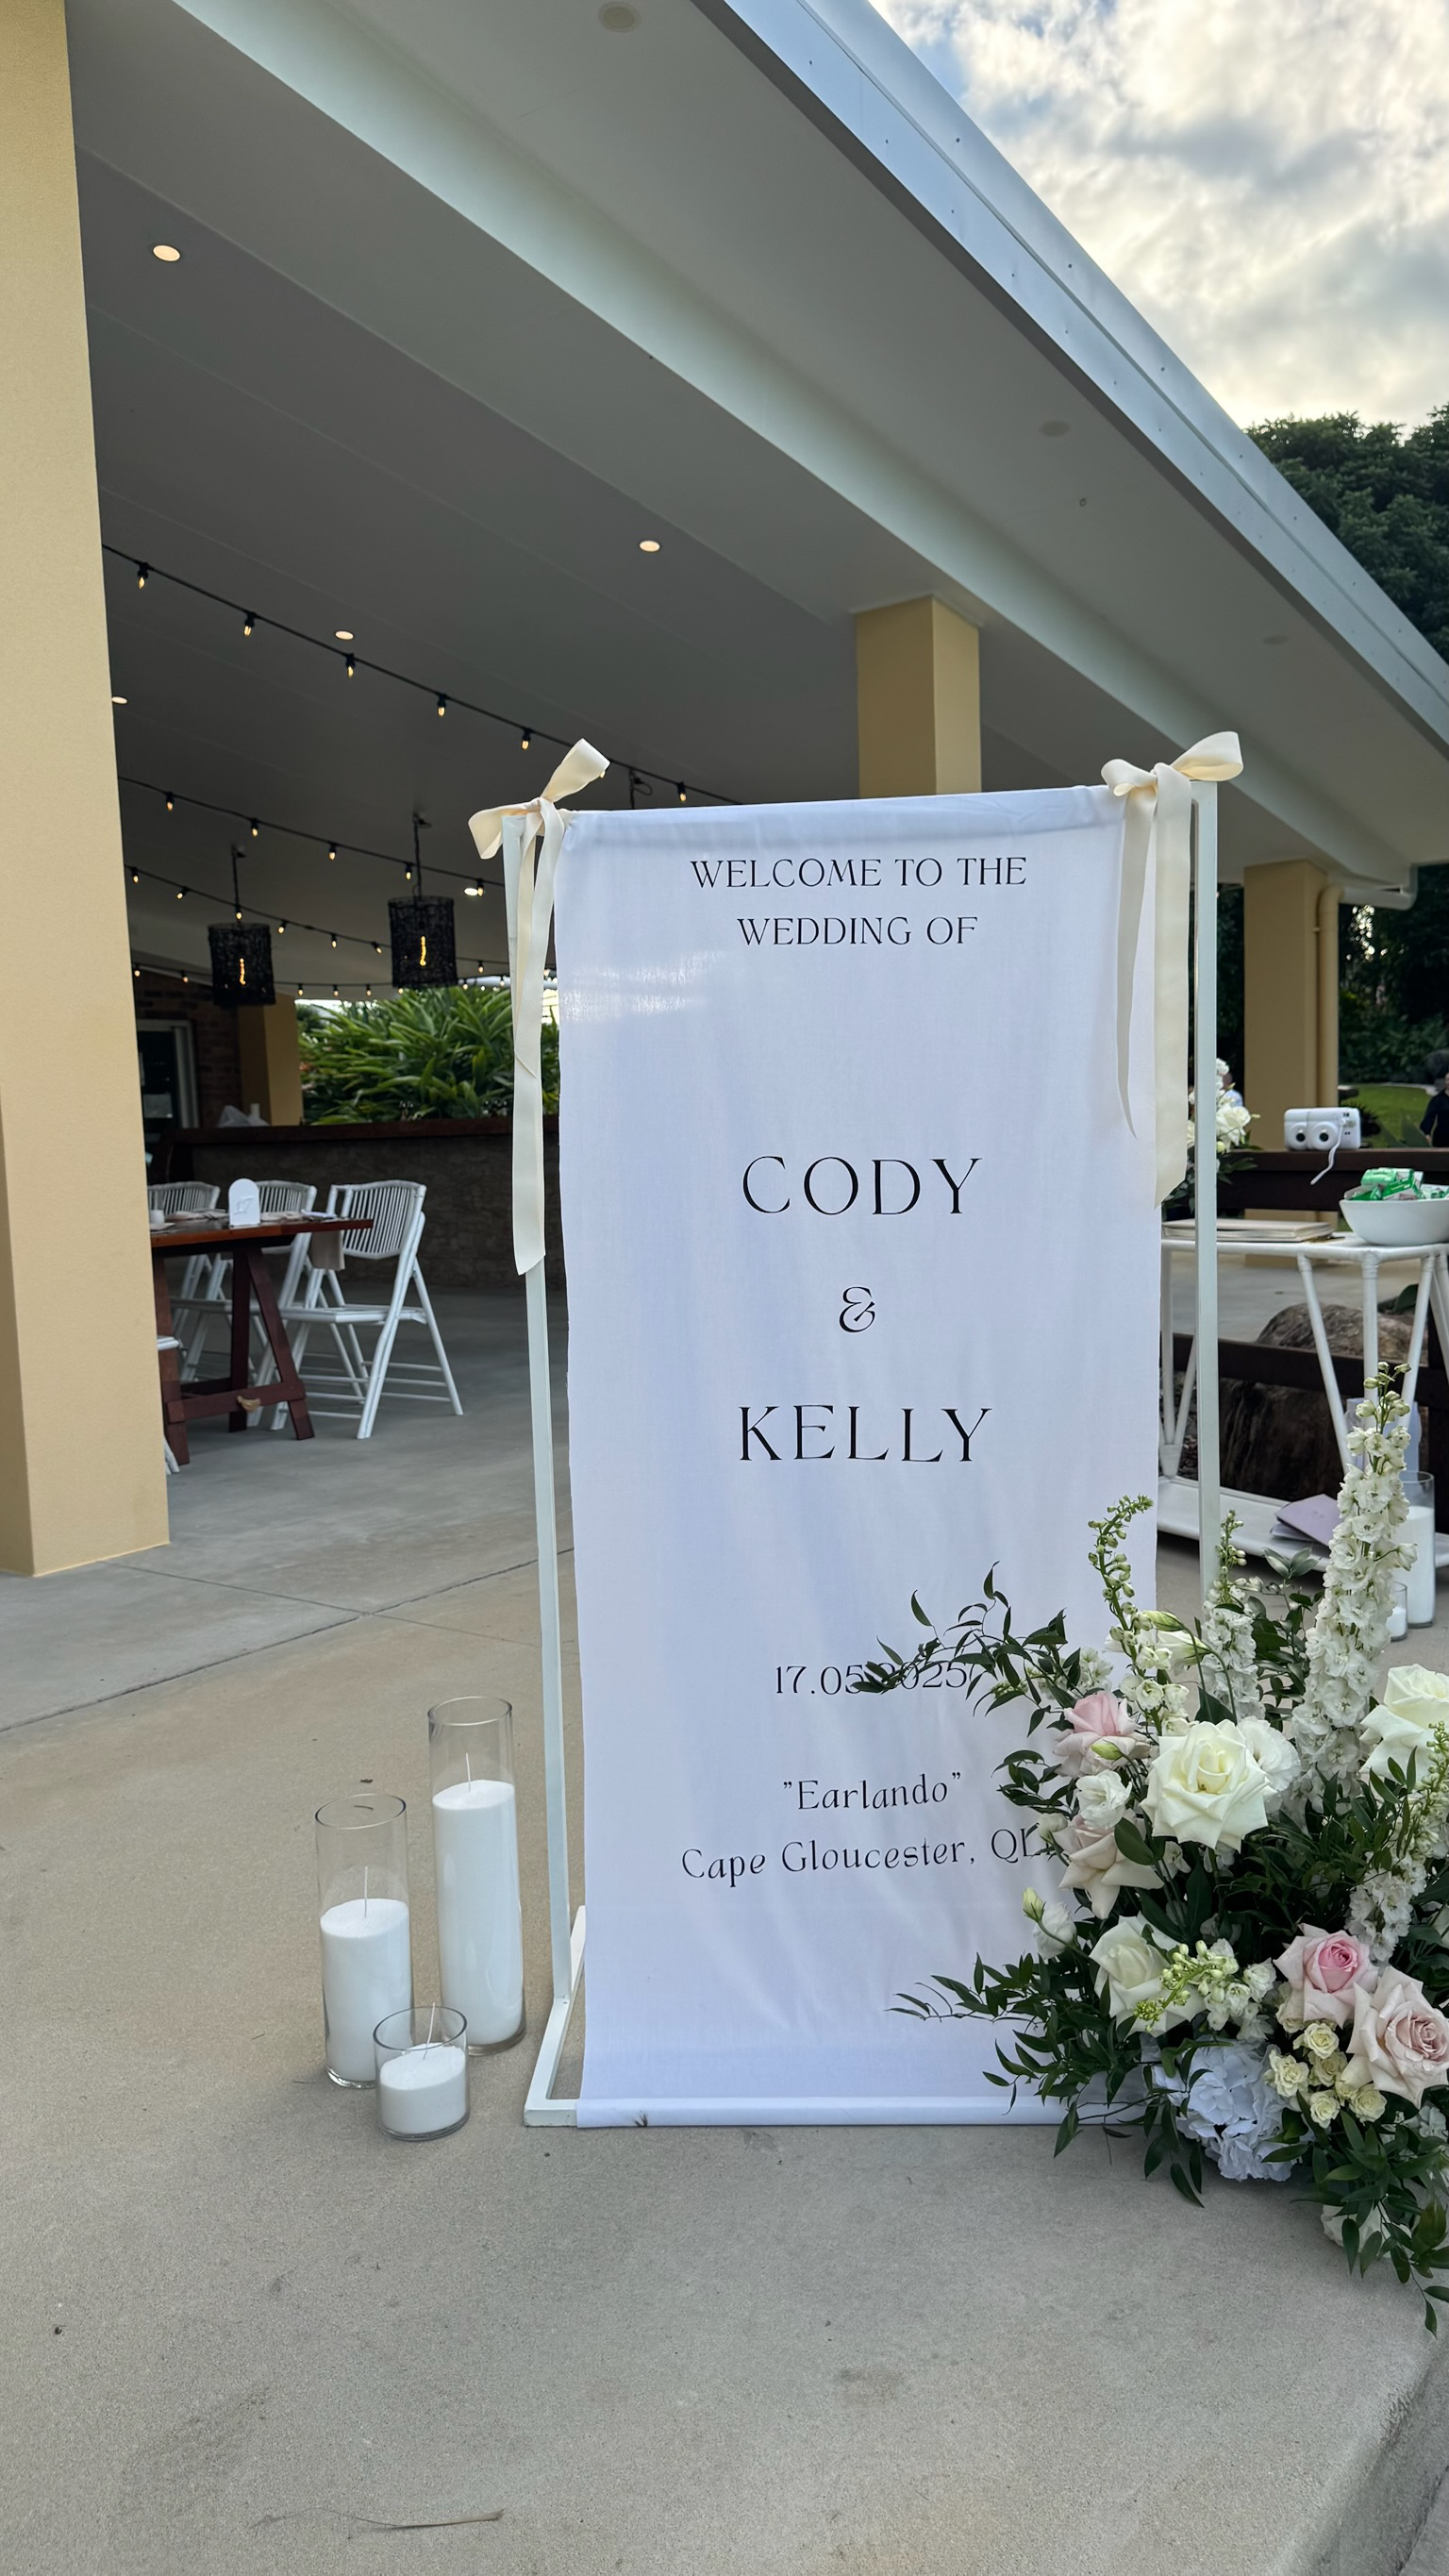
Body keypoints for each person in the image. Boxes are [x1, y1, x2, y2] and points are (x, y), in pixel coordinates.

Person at [1421, 1051, 1449, 1146]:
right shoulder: (1438, 1100)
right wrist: (1426, 1133)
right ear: (1445, 1082)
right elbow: (1429, 1117)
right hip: (1442, 1137)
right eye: (1448, 1079)